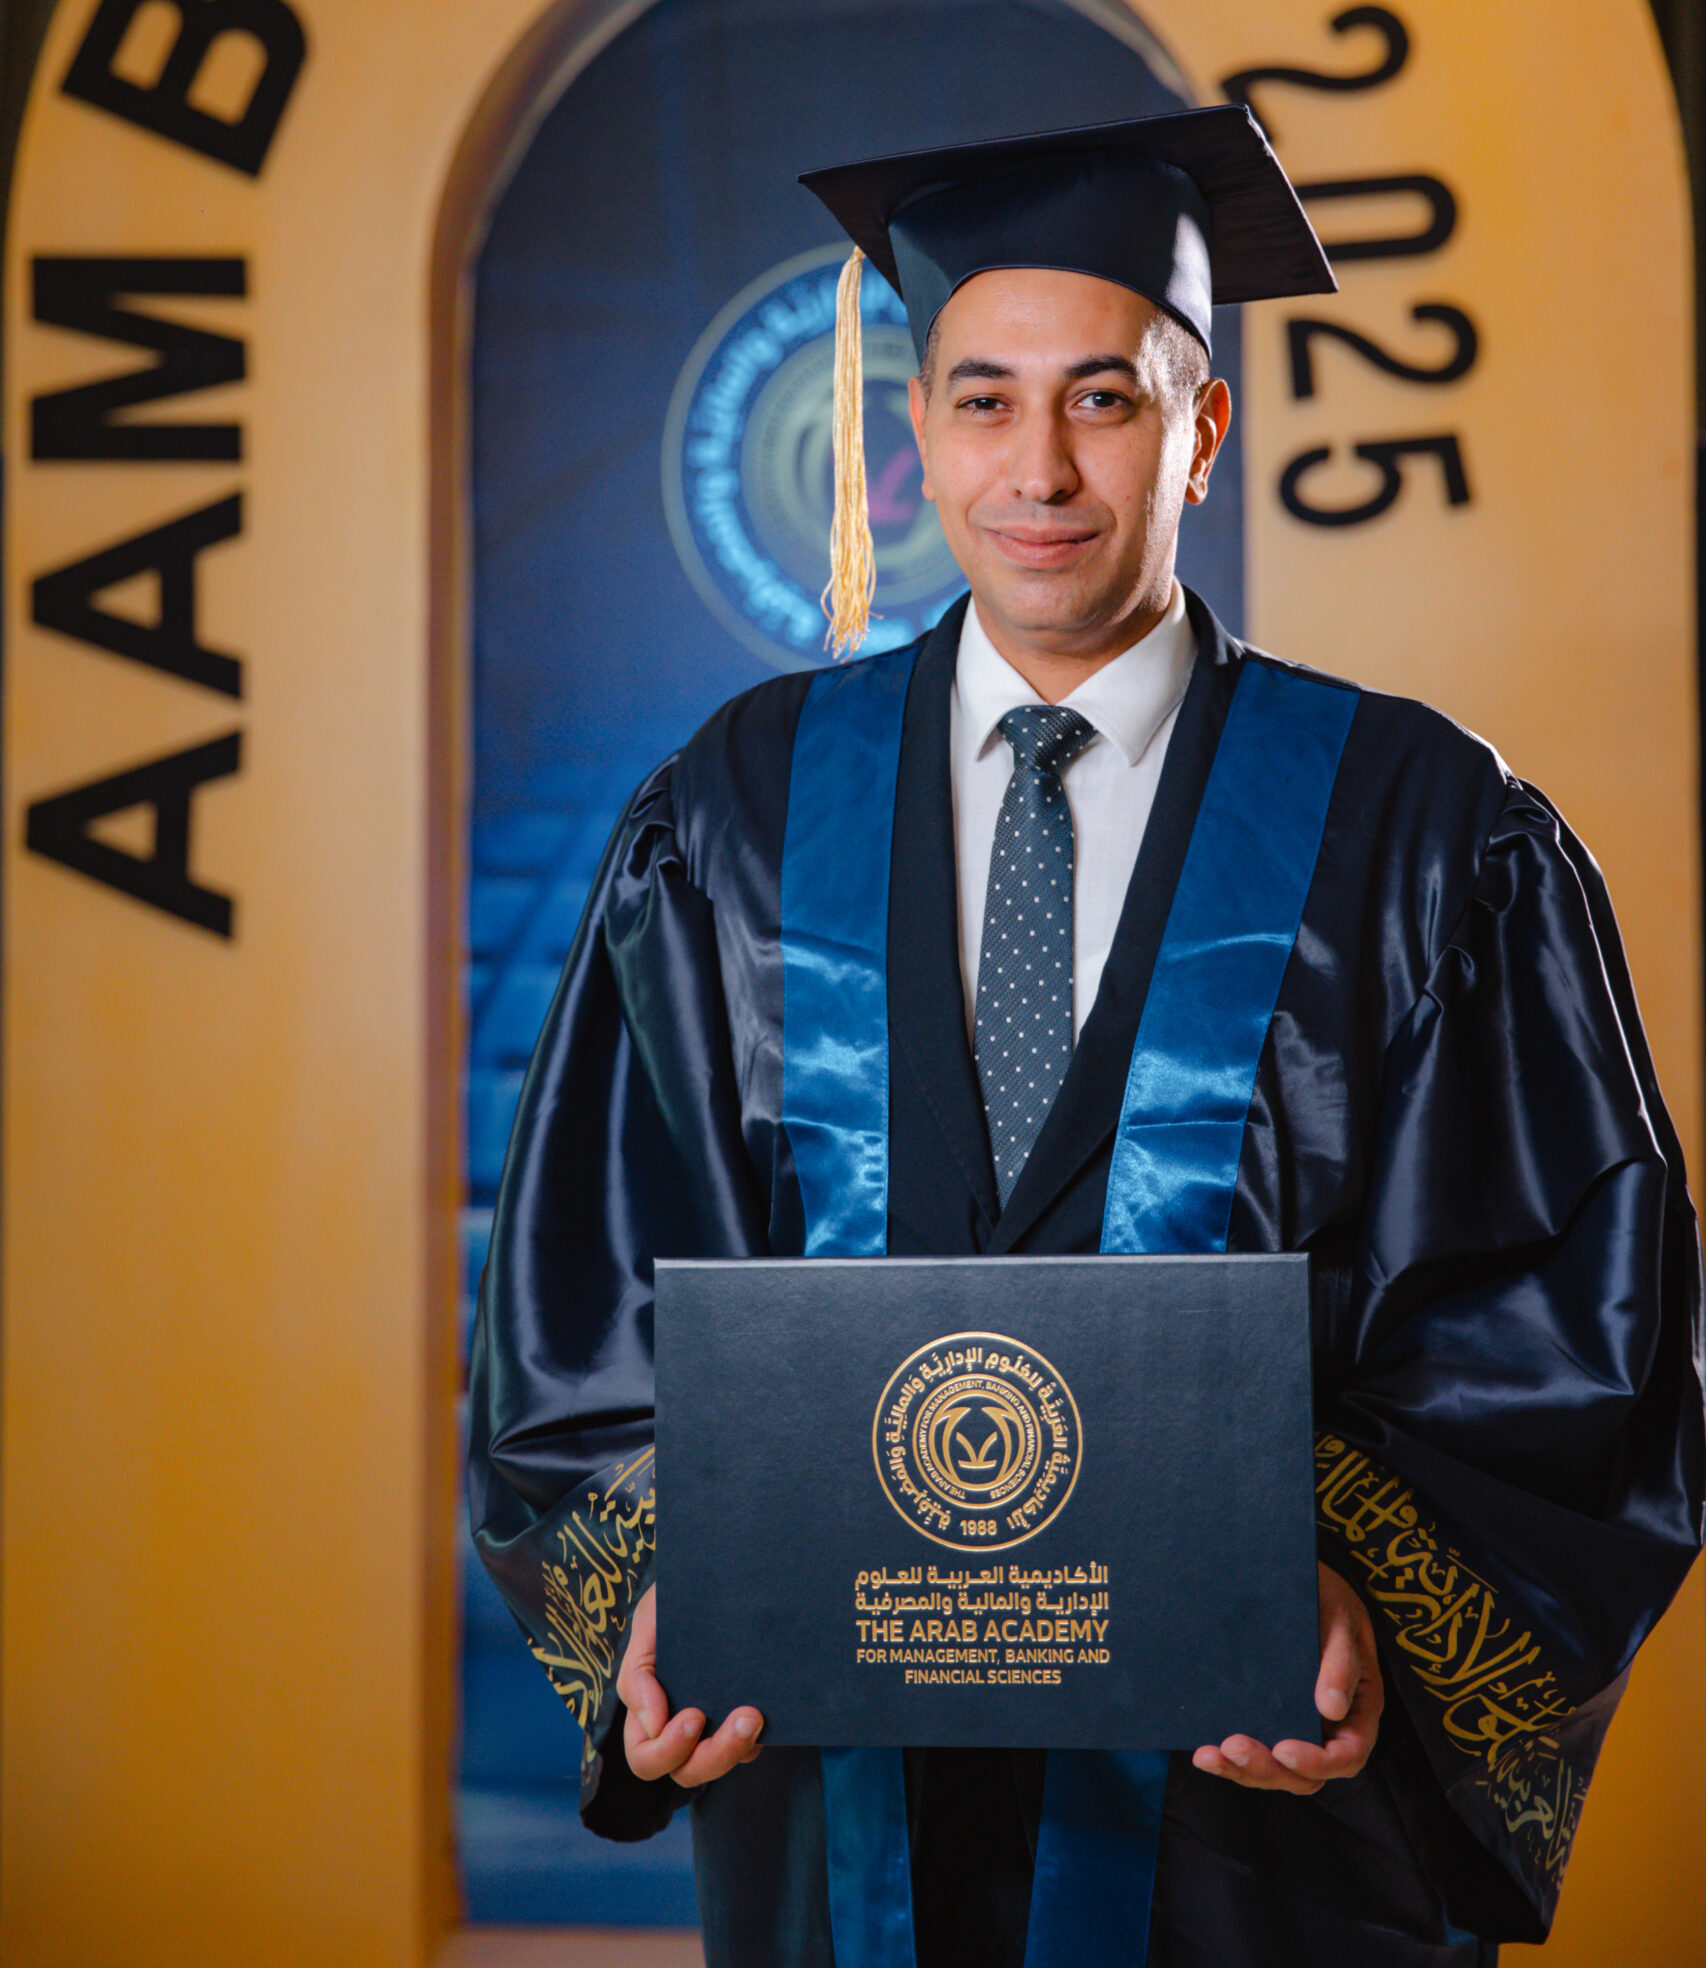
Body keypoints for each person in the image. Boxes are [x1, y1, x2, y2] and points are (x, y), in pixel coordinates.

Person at [468, 106, 1705, 1968]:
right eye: (983, 401)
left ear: (1202, 431)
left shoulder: (1421, 827)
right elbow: (587, 1282)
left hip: (1257, 1828)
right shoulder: (738, 807)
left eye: (1104, 400)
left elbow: (1571, 1310)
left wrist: (1358, 1603)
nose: (1037, 467)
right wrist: (658, 1590)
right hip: (840, 1795)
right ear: (916, 433)